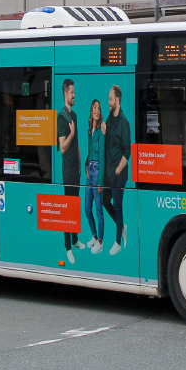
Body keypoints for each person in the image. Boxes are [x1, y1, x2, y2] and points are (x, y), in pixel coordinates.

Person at [56, 78, 84, 264]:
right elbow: (63, 147)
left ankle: (75, 240)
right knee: (68, 208)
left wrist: (81, 163)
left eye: (74, 92)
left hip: (76, 167)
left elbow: (77, 143)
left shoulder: (74, 116)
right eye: (72, 92)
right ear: (66, 94)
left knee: (75, 205)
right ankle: (67, 247)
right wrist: (71, 133)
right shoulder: (62, 117)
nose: (74, 95)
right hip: (67, 169)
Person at [101, 84, 130, 256]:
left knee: (118, 207)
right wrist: (105, 133)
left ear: (117, 100)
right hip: (108, 172)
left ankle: (118, 241)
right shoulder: (110, 119)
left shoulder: (124, 123)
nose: (108, 102)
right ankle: (122, 226)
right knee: (105, 201)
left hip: (118, 173)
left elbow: (127, 152)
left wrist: (118, 170)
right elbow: (109, 144)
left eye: (110, 99)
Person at [83, 99, 106, 254]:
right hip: (90, 169)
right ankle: (94, 235)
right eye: (94, 107)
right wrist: (86, 164)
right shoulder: (89, 129)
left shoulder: (101, 130)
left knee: (98, 209)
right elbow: (89, 150)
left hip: (98, 170)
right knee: (86, 207)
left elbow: (103, 155)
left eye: (98, 108)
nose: (96, 110)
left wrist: (101, 181)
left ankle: (100, 241)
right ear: (91, 111)